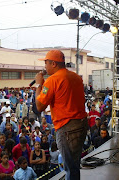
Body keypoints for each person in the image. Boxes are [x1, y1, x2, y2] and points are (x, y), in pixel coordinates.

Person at [35, 50, 88, 180]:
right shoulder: (75, 76)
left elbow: (39, 106)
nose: (45, 66)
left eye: (46, 63)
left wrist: (38, 85)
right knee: (74, 164)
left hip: (67, 128)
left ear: (53, 63)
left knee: (70, 167)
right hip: (81, 124)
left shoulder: (52, 80)